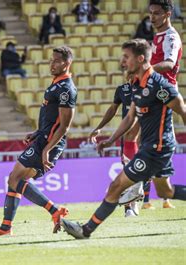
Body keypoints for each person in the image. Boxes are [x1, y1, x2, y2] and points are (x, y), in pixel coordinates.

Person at [61, 39, 186, 240]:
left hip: (156, 149)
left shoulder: (161, 86)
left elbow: (183, 111)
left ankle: (85, 230)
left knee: (116, 186)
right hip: (154, 147)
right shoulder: (136, 84)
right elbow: (130, 117)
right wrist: (111, 140)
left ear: (140, 58)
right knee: (166, 190)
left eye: (126, 57)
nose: (122, 62)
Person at [0, 46, 76, 236]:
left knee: (14, 179)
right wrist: (37, 132)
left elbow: (64, 126)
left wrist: (46, 149)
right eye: (51, 60)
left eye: (56, 61)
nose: (51, 64)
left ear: (67, 63)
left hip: (48, 143)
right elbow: (53, 120)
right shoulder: (56, 84)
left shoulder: (66, 89)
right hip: (43, 139)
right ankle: (6, 227)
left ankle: (54, 211)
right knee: (16, 179)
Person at [122, 0, 181, 209]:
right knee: (133, 135)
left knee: (150, 141)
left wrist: (143, 71)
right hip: (151, 91)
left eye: (156, 13)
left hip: (163, 95)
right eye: (150, 13)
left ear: (168, 13)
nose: (152, 17)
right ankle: (139, 193)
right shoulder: (157, 36)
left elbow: (169, 64)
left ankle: (137, 191)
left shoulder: (171, 37)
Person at [88, 71, 143, 217]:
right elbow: (113, 109)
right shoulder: (122, 90)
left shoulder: (147, 88)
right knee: (128, 170)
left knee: (144, 170)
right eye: (128, 73)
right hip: (127, 136)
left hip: (145, 134)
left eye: (133, 73)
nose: (130, 75)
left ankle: (136, 201)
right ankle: (129, 207)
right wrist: (99, 127)